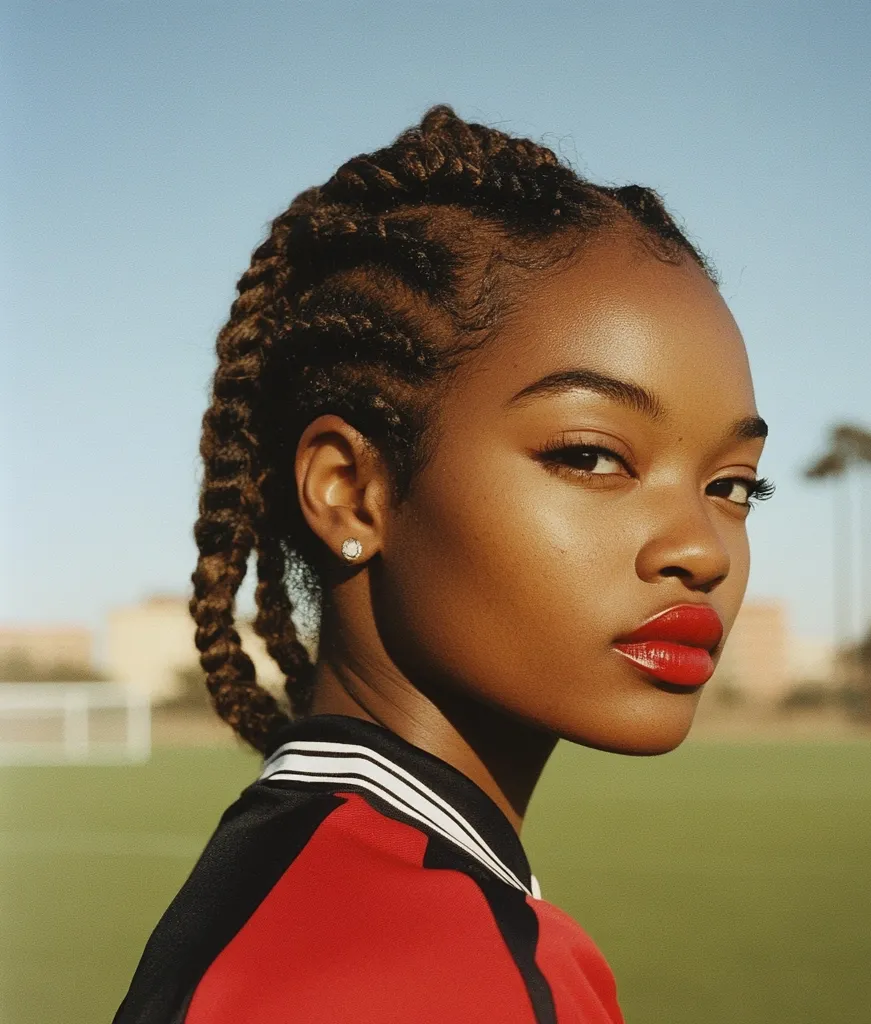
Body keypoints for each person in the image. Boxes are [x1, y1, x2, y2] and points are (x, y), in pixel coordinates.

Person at [114, 104, 771, 1024]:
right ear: (352, 493)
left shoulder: (288, 891)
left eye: (735, 486)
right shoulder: (433, 969)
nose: (701, 548)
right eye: (590, 456)